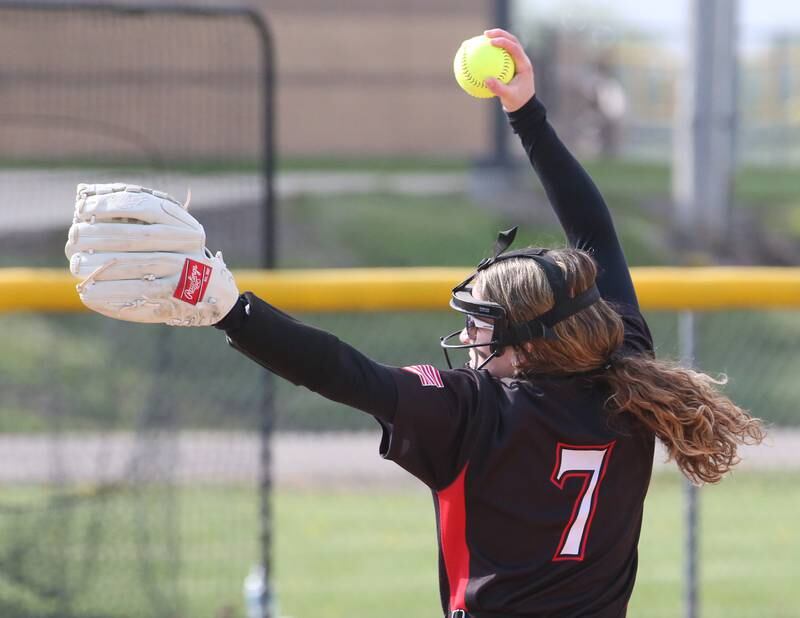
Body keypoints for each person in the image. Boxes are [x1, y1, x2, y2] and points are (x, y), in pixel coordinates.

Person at [65, 29, 764, 618]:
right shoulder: (620, 370)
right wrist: (527, 113)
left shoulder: (477, 412)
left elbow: (343, 372)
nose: (472, 336)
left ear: (528, 345)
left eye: (486, 324)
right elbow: (598, 235)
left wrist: (231, 309)